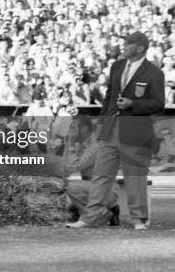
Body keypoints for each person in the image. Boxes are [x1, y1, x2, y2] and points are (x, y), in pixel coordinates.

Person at [67, 32, 165, 230]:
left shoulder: (154, 73)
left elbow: (158, 104)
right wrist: (102, 121)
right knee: (101, 174)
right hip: (111, 127)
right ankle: (91, 217)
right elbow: (109, 96)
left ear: (140, 48)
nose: (124, 46)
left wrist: (133, 104)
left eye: (129, 44)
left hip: (136, 130)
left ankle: (138, 219)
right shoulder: (117, 66)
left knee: (134, 175)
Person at [65, 116, 119, 226]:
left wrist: (70, 144)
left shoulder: (95, 145)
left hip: (105, 191)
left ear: (84, 129)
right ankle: (110, 211)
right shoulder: (83, 144)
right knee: (71, 209)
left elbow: (75, 167)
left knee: (71, 186)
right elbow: (66, 167)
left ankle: (102, 214)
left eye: (73, 128)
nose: (70, 131)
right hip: (95, 188)